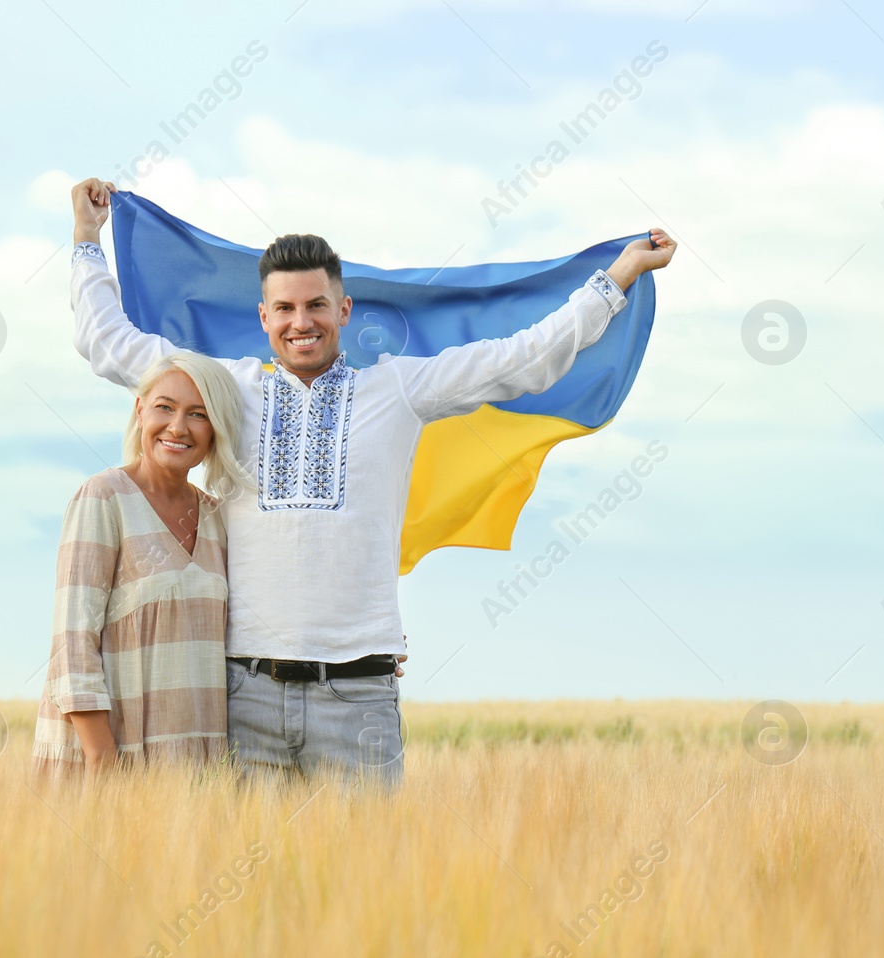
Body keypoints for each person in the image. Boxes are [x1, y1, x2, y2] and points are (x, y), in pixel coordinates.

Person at [67, 176, 676, 786]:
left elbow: (524, 358)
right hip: (241, 696)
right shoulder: (227, 387)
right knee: (251, 880)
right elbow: (108, 344)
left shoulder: (401, 389)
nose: (299, 322)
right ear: (263, 316)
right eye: (284, 308)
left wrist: (616, 276)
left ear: (344, 311)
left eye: (315, 306)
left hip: (358, 699)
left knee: (364, 881)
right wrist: (88, 237)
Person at [31, 352, 250, 779]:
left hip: (196, 762)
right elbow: (73, 644)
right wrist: (102, 758)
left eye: (198, 414)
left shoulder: (218, 518)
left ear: (215, 430)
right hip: (111, 755)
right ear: (140, 411)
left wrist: (357, 643)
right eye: (164, 407)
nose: (178, 427)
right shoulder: (103, 498)